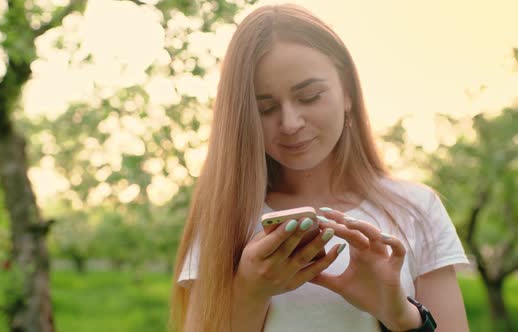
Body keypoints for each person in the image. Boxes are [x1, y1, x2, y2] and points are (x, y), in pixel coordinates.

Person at [169, 3, 470, 332]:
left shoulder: (416, 209)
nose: (290, 123)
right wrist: (250, 292)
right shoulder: (226, 217)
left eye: (309, 96)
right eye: (265, 108)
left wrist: (399, 313)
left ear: (348, 93)